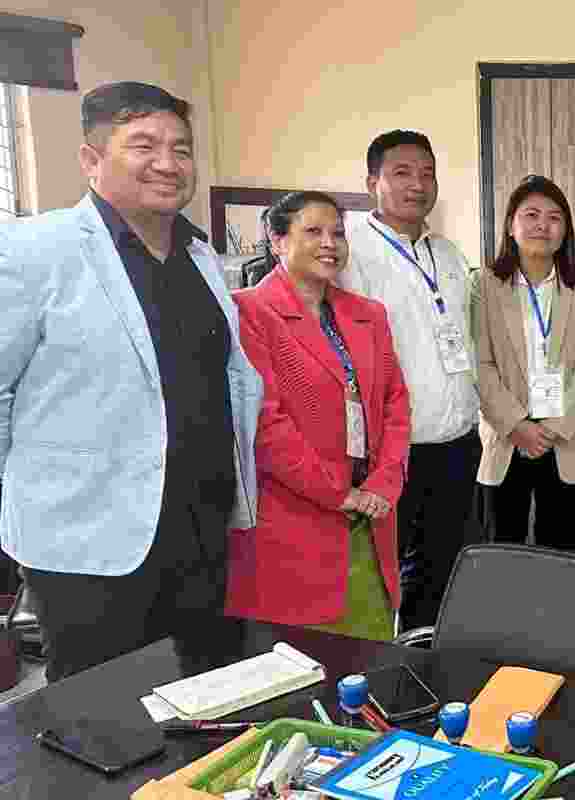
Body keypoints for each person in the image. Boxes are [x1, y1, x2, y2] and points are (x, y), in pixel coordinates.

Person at [0, 82, 262, 680]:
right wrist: (30, 491)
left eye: (182, 148)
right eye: (143, 145)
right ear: (91, 159)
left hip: (200, 532)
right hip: (90, 544)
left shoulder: (200, 257)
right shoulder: (36, 251)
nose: (168, 164)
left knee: (202, 703)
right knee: (105, 722)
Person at [227, 192, 411, 640]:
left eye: (338, 233)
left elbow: (396, 404)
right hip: (292, 525)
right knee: (297, 672)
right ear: (277, 241)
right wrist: (337, 493)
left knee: (370, 667)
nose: (329, 243)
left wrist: (383, 483)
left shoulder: (368, 314)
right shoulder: (248, 312)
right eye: (313, 231)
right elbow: (265, 425)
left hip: (370, 518)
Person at [341, 130, 481, 631]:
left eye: (426, 173)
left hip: (457, 440)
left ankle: (425, 655)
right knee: (385, 569)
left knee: (439, 565)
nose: (417, 185)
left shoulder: (446, 253)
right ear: (372, 181)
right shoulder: (350, 253)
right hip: (392, 449)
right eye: (402, 173)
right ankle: (382, 663)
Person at [471, 176, 575, 550]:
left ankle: (556, 609)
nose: (542, 226)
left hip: (566, 437)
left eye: (554, 217)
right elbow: (480, 363)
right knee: (504, 544)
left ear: (566, 230)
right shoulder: (484, 285)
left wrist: (553, 427)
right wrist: (517, 425)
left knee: (559, 542)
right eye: (531, 215)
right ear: (511, 225)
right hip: (506, 437)